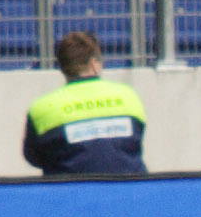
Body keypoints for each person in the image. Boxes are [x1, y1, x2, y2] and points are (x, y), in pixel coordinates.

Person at [23, 32, 148, 178]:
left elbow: (33, 157)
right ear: (94, 64)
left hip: (68, 193)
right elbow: (135, 141)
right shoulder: (129, 96)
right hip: (130, 191)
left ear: (63, 66)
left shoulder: (42, 108)